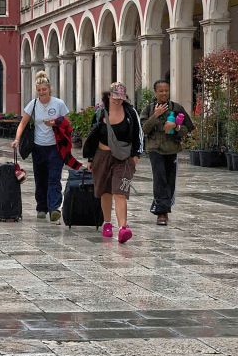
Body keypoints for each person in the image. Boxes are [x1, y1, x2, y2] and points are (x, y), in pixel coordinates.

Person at [81, 82, 143, 243]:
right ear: (109, 96)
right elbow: (92, 135)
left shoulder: (130, 113)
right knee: (105, 191)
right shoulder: (100, 113)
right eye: (115, 97)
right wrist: (90, 158)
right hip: (101, 156)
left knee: (119, 191)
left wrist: (136, 156)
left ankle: (123, 228)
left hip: (124, 158)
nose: (117, 101)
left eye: (121, 98)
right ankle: (107, 223)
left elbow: (139, 134)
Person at [14, 71, 69, 223]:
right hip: (38, 148)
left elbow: (67, 123)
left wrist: (55, 123)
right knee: (40, 178)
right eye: (39, 90)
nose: (42, 92)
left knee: (54, 178)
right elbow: (23, 123)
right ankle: (41, 207)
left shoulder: (58, 104)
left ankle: (54, 208)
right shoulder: (33, 104)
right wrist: (17, 139)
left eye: (44, 89)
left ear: (49, 89)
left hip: (55, 147)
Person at [140, 79, 193, 226]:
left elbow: (188, 128)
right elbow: (144, 129)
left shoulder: (177, 108)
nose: (164, 93)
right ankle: (162, 213)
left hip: (171, 149)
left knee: (169, 180)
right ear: (155, 92)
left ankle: (161, 205)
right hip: (155, 149)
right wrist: (155, 115)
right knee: (160, 178)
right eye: (161, 91)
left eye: (166, 90)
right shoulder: (149, 109)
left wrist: (176, 127)